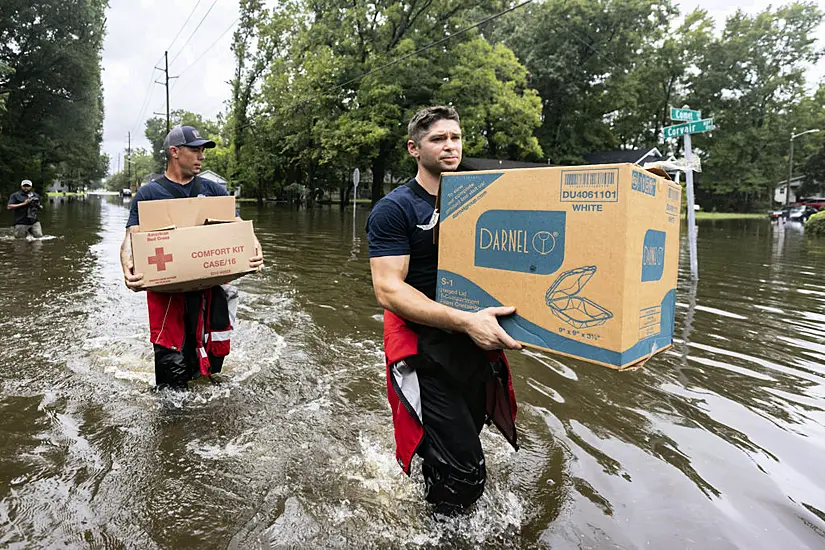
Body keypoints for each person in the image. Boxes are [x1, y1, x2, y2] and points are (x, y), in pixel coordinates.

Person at [366, 106, 520, 515]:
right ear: (414, 148)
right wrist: (465, 321)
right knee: (466, 475)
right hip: (426, 350)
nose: (450, 145)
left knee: (464, 440)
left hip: (473, 343)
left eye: (455, 137)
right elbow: (388, 289)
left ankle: (431, 498)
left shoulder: (482, 200)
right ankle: (441, 532)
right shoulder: (395, 209)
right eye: (438, 139)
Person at [120, 125, 264, 390]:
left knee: (210, 369)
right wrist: (128, 267)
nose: (202, 156)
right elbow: (131, 238)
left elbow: (238, 225)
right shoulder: (149, 194)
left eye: (203, 150)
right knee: (172, 377)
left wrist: (254, 247)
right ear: (174, 152)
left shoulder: (213, 191)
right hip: (168, 295)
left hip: (209, 291)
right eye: (195, 150)